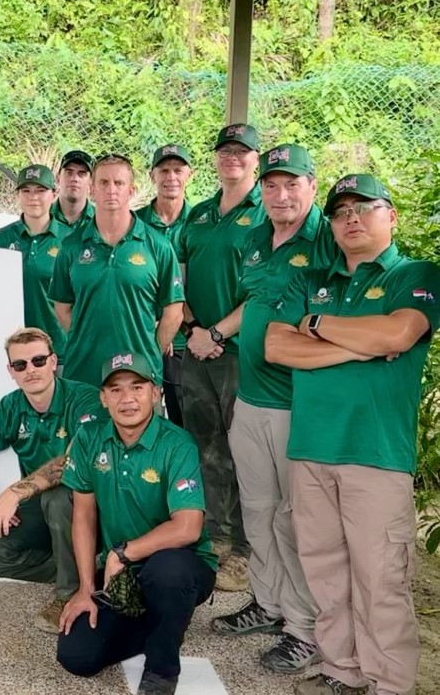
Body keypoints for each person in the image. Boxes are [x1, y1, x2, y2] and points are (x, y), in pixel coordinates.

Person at [265, 174, 440, 695]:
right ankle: (342, 670)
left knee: (380, 579)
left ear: (392, 216)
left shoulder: (415, 272)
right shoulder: (310, 281)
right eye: (341, 212)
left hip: (376, 453)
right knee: (325, 571)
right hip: (312, 449)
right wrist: (356, 341)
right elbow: (277, 347)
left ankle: (389, 684)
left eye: (365, 208)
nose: (351, 219)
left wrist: (315, 328)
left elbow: (399, 332)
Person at [210, 144, 335, 674]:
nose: (281, 195)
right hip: (251, 397)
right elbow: (256, 304)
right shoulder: (257, 238)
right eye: (272, 185)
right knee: (257, 510)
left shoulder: (327, 241)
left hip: (296, 405)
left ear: (312, 186)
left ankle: (305, 629)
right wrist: (219, 331)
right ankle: (269, 602)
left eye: (292, 184)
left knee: (294, 520)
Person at [57, 352, 217, 695]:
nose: (127, 398)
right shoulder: (89, 438)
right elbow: (83, 516)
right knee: (77, 656)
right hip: (122, 575)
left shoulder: (177, 444)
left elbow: (188, 527)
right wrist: (86, 588)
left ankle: (161, 670)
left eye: (137, 387)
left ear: (155, 392)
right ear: (103, 398)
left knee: (167, 570)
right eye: (115, 390)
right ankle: (163, 622)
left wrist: (121, 554)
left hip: (180, 565)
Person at [0, 328, 103, 633]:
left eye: (38, 360)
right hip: (46, 511)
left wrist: (15, 492)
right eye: (20, 365)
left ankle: (68, 594)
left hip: (95, 507)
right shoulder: (11, 407)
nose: (31, 370)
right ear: (11, 372)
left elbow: (71, 463)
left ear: (53, 361)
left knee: (56, 498)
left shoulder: (85, 398)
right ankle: (91, 569)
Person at [174, 123, 266, 591]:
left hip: (238, 352)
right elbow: (178, 280)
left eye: (241, 151)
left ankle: (249, 551)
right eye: (225, 151)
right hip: (196, 349)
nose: (232, 158)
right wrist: (193, 330)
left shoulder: (265, 214)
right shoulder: (200, 215)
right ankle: (217, 538)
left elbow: (265, 292)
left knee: (245, 452)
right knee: (205, 446)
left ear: (256, 159)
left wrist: (217, 332)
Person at [51, 155, 184, 388]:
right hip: (84, 372)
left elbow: (174, 313)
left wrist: (150, 352)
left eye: (119, 183)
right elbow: (62, 307)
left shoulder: (158, 245)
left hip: (139, 375)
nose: (111, 190)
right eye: (103, 183)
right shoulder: (72, 246)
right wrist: (87, 335)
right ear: (92, 189)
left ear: (131, 190)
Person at [135, 144, 195, 427]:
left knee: (186, 421)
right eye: (164, 170)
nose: (171, 177)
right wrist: (159, 327)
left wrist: (175, 326)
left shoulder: (200, 221)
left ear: (189, 175)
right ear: (152, 175)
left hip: (187, 341)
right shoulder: (134, 222)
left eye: (178, 170)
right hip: (143, 337)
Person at [0, 165, 73, 364]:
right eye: (26, 191)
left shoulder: (70, 240)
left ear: (54, 194)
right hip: (13, 350)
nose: (32, 197)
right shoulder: (2, 238)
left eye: (40, 190)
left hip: (58, 350)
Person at [51, 150, 96, 230]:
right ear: (58, 178)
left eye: (81, 174)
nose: (75, 179)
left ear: (91, 182)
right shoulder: (41, 217)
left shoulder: (103, 220)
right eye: (69, 173)